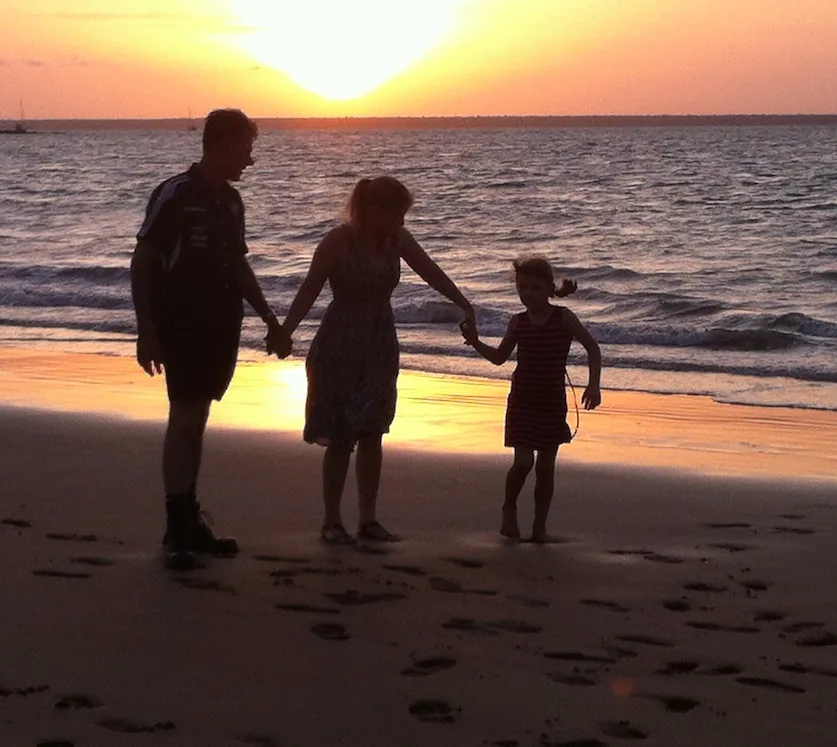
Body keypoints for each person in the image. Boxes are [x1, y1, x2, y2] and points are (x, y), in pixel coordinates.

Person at [130, 108, 291, 570]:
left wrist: (271, 321)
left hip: (222, 323)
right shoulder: (174, 195)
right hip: (179, 321)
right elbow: (143, 262)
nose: (249, 160)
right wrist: (147, 330)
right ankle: (178, 527)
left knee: (197, 414)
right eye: (245, 149)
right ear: (221, 144)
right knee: (184, 415)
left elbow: (238, 266)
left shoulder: (232, 202)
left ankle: (187, 517)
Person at [279, 176, 476, 544]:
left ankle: (368, 520)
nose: (401, 223)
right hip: (340, 343)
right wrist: (285, 330)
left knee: (374, 429)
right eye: (396, 214)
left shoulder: (397, 240)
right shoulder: (338, 241)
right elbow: (310, 287)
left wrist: (465, 303)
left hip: (380, 343)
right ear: (372, 210)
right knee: (341, 434)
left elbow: (431, 271)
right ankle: (332, 521)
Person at [461, 257, 601, 543]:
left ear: (549, 288)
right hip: (522, 400)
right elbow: (500, 358)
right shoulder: (518, 322)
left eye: (534, 288)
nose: (527, 294)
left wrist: (594, 385)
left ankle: (540, 527)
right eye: (521, 287)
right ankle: (509, 507)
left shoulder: (563, 317)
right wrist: (475, 341)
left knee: (546, 468)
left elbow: (592, 348)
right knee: (523, 462)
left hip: (551, 401)